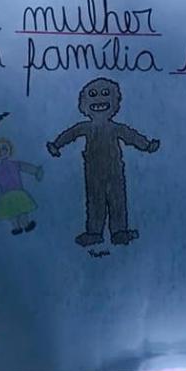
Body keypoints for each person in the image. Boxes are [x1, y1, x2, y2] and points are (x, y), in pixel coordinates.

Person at [47, 77, 159, 247]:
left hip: (115, 172)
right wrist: (56, 145)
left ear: (115, 101)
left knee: (117, 200)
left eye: (105, 93)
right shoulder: (86, 127)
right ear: (84, 103)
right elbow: (70, 134)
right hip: (93, 173)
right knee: (95, 202)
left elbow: (131, 136)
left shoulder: (116, 128)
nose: (99, 99)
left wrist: (147, 145)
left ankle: (119, 232)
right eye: (93, 94)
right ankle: (94, 232)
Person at [0, 138, 43, 235]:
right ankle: (16, 227)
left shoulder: (15, 164)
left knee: (22, 210)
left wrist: (36, 170)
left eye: (4, 149)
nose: (2, 152)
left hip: (18, 192)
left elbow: (26, 167)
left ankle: (25, 224)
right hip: (6, 195)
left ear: (9, 150)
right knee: (11, 213)